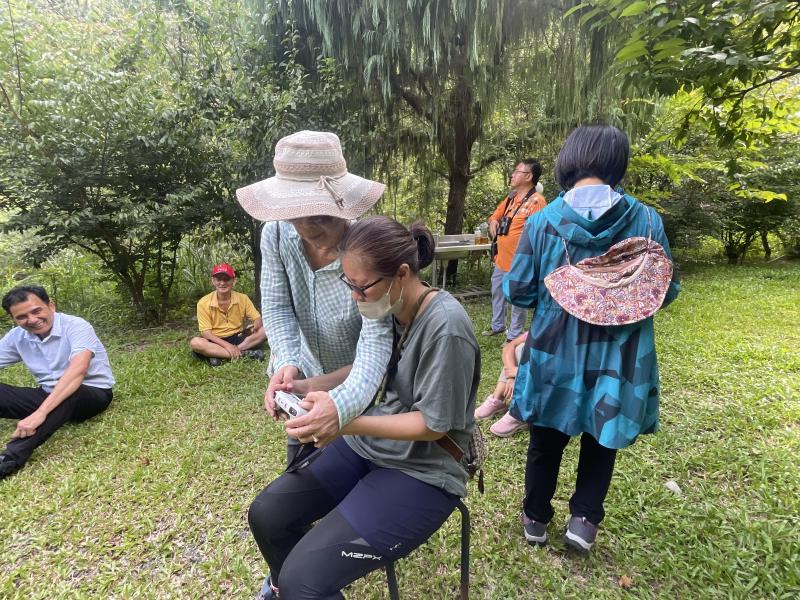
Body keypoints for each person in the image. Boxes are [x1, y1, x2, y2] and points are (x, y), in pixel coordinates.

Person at [247, 216, 480, 600]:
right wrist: (306, 386)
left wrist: (345, 423)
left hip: (424, 469)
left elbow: (433, 424)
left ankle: (296, 590)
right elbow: (370, 366)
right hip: (371, 448)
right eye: (349, 284)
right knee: (267, 515)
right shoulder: (391, 307)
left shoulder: (446, 326)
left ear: (401, 273)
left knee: (302, 579)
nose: (355, 297)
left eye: (361, 287)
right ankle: (288, 589)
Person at [503, 125, 681, 552]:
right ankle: (583, 521)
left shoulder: (543, 222)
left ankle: (535, 517)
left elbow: (519, 290)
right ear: (618, 163)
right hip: (620, 350)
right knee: (602, 436)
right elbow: (666, 290)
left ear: (568, 161)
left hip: (555, 347)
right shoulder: (647, 220)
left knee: (545, 435)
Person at [235, 131, 393, 463]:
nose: (307, 228)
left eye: (319, 216)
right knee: (302, 464)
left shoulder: (368, 248)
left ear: (343, 204)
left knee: (355, 466)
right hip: (304, 372)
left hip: (359, 377)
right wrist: (287, 362)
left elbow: (377, 339)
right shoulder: (276, 235)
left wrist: (340, 403)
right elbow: (277, 306)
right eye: (295, 214)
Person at [0, 285, 115, 479]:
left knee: (71, 390)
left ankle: (9, 459)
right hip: (48, 395)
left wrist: (40, 413)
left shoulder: (76, 326)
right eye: (22, 317)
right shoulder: (17, 336)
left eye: (36, 311)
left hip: (90, 395)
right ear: (14, 319)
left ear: (50, 305)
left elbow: (78, 371)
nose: (32, 320)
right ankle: (50, 412)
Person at [484, 159, 546, 342]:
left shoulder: (537, 201)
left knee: (517, 298)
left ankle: (514, 335)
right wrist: (493, 222)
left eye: (517, 171)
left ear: (528, 176)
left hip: (520, 262)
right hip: (501, 259)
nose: (513, 174)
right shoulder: (511, 198)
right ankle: (497, 326)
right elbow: (494, 216)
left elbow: (539, 233)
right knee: (497, 292)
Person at [189, 263, 267, 366]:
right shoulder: (203, 302)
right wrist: (228, 346)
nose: (222, 283)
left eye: (226, 279)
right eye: (218, 279)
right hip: (215, 340)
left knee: (266, 329)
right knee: (195, 342)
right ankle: (245, 354)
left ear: (234, 281)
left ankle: (218, 355)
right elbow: (206, 334)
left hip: (237, 337)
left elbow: (257, 318)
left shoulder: (243, 298)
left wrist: (255, 326)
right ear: (213, 281)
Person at [474, 332, 529, 437]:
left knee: (531, 354)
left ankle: (520, 411)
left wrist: (521, 372)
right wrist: (511, 375)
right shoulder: (541, 329)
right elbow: (509, 347)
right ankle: (497, 399)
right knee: (520, 348)